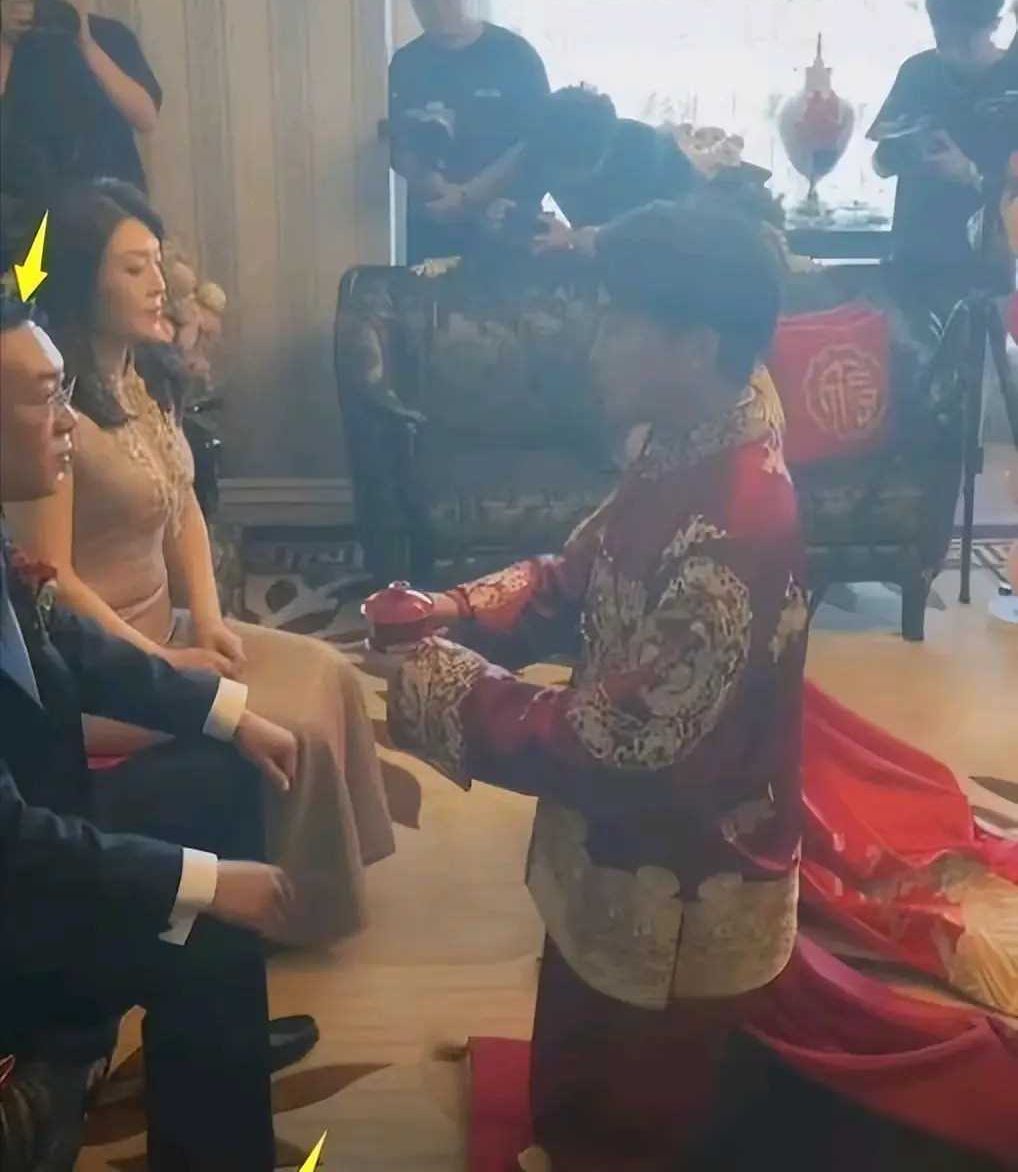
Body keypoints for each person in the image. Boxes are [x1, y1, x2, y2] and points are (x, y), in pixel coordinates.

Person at [383, 199, 810, 1169]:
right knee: (577, 1042)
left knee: (641, 1111)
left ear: (696, 345)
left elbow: (616, 741)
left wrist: (441, 681)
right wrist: (454, 608)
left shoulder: (737, 525)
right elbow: (579, 574)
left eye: (619, 319)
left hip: (683, 865)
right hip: (620, 837)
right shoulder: (685, 440)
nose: (596, 339)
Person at [4, 181, 396, 948]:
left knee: (329, 673)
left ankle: (319, 887)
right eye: (134, 268)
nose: (159, 284)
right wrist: (165, 660)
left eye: (158, 262)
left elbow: (182, 502)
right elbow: (53, 582)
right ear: (81, 280)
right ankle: (275, 915)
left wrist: (210, 620)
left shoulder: (139, 383)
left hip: (168, 630)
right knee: (290, 725)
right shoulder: (54, 419)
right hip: (109, 666)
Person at [0, 293, 297, 1170]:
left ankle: (220, 1041)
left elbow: (68, 638)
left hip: (43, 827)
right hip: (17, 889)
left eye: (66, 392)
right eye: (44, 398)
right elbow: (9, 842)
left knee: (223, 769)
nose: (68, 422)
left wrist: (228, 714)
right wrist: (203, 883)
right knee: (206, 926)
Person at [868, 0, 1018, 308]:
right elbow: (879, 164)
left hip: (989, 269)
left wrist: (970, 174)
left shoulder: (1013, 79)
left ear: (995, 25)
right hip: (913, 260)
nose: (951, 52)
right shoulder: (917, 73)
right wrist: (904, 151)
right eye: (942, 38)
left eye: (964, 41)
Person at [389, 0, 549, 264]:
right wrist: (437, 187)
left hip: (505, 231)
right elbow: (395, 142)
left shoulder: (515, 56)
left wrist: (469, 197)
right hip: (430, 232)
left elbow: (537, 144)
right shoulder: (405, 64)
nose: (436, 5)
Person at [0, 0, 160, 196]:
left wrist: (86, 41)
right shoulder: (7, 40)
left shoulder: (110, 34)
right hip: (25, 201)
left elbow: (146, 117)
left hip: (110, 197)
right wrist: (5, 41)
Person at [513, 86, 703, 257]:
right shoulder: (551, 137)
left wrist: (572, 238)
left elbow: (627, 238)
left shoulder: (643, 155)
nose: (555, 178)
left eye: (564, 171)